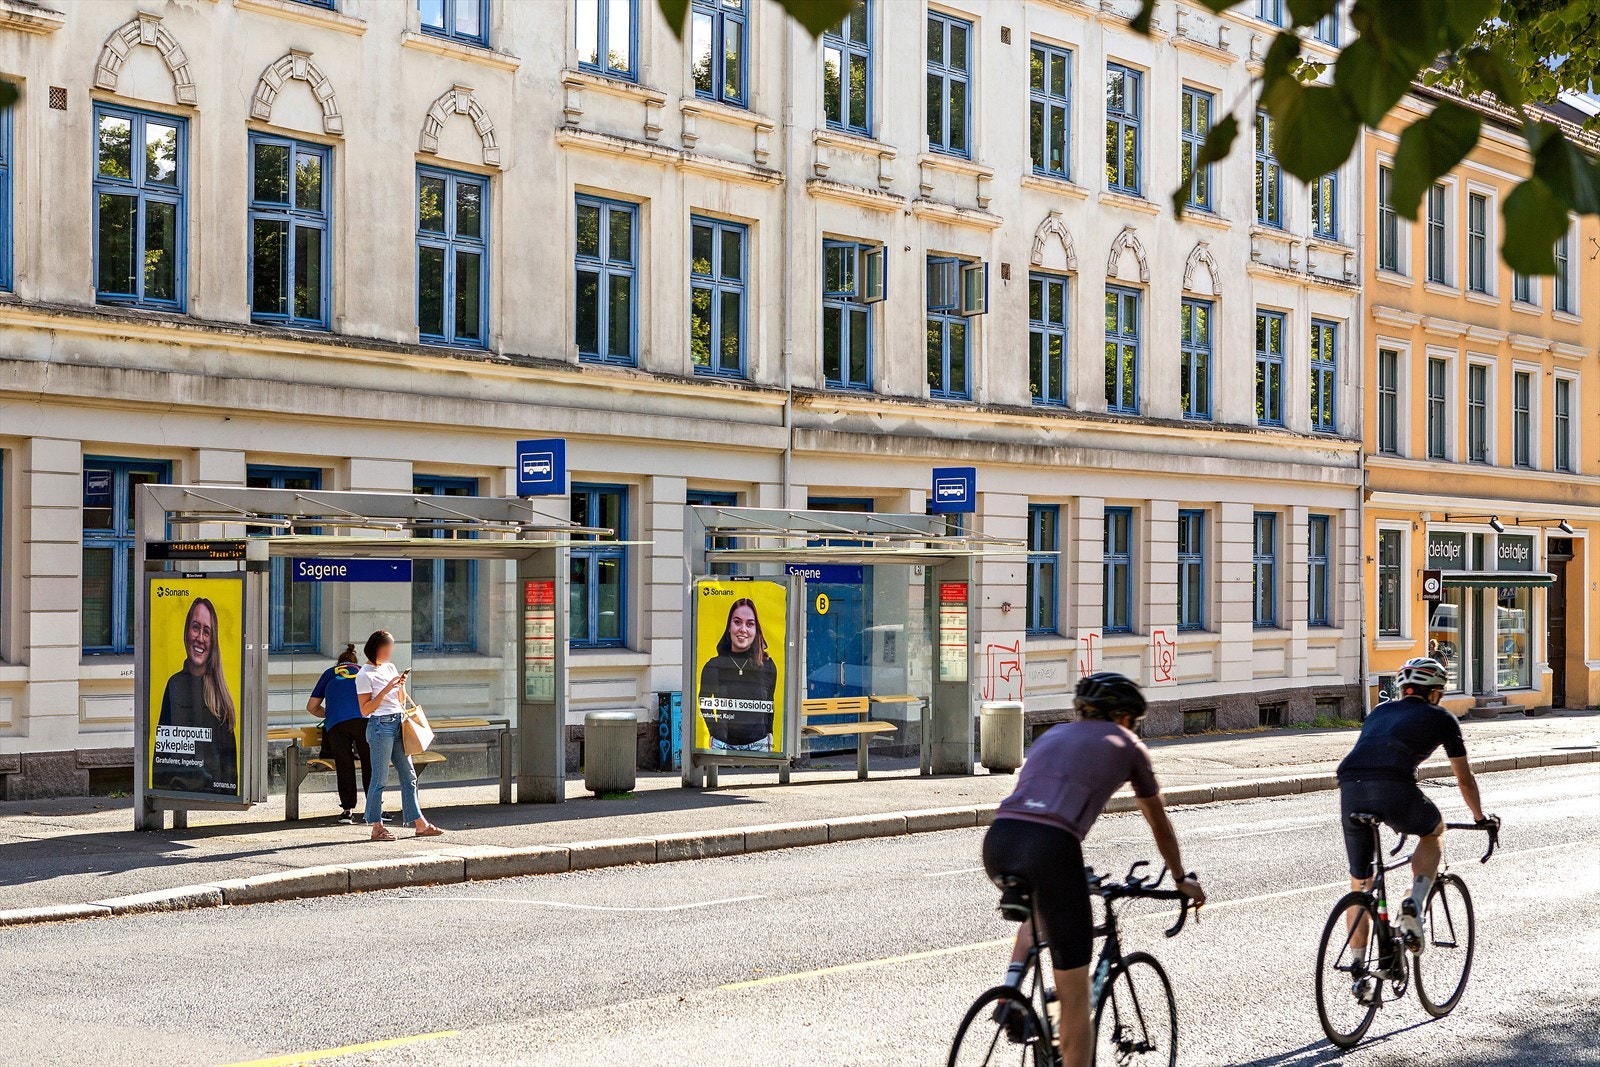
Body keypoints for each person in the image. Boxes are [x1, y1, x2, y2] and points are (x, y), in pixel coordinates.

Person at [981, 672, 1205, 1067]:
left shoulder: (1052, 735)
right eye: (1132, 721)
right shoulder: (1128, 745)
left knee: (1038, 909)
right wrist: (1179, 877)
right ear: (1122, 716)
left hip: (1000, 840)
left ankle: (1011, 991)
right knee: (1075, 996)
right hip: (1052, 848)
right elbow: (1159, 823)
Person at [1337, 656, 1489, 955]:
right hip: (1394, 784)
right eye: (1441, 693)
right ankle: (1414, 903)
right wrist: (1480, 817)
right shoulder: (1442, 717)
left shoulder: (1380, 711)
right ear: (1434, 692)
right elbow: (1465, 779)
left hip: (1349, 784)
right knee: (1433, 830)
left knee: (1360, 884)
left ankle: (1358, 971)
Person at [355, 630, 443, 841]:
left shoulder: (390, 667)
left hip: (397, 723)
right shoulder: (364, 675)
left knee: (409, 775)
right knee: (380, 778)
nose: (389, 652)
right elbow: (365, 710)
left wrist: (400, 686)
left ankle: (420, 823)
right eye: (386, 648)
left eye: (391, 648)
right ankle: (377, 827)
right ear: (376, 647)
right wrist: (385, 690)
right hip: (379, 726)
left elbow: (400, 701)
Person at [153, 597, 239, 795]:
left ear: (213, 640)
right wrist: (159, 791)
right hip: (178, 787)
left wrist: (227, 795)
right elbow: (162, 746)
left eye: (207, 631)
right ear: (186, 633)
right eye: (195, 627)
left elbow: (229, 763)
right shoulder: (174, 684)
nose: (200, 637)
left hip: (213, 791)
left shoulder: (220, 694)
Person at [697, 597, 779, 748]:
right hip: (722, 745)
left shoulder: (768, 667)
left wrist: (769, 733)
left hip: (759, 745)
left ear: (756, 630)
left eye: (750, 624)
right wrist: (715, 733)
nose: (743, 629)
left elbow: (769, 704)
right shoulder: (713, 666)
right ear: (729, 627)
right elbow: (704, 702)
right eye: (737, 622)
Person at [307, 643, 370, 824]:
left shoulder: (329, 673)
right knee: (370, 764)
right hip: (364, 720)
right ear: (354, 662)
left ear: (339, 662)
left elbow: (312, 707)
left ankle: (347, 811)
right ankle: (374, 809)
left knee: (344, 765)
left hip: (337, 725)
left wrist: (332, 712)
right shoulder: (364, 671)